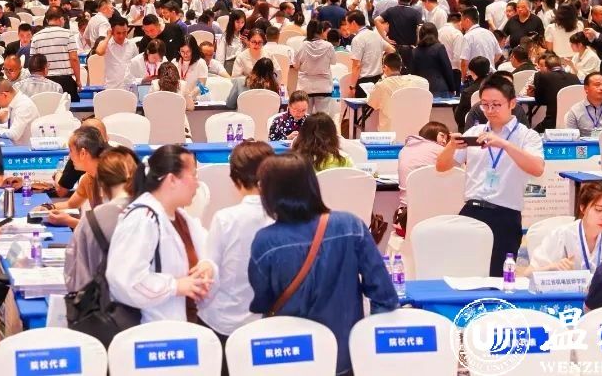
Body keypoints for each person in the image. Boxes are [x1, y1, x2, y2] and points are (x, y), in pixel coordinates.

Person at [249, 153, 396, 376]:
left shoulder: (265, 241)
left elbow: (262, 302)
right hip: (343, 355)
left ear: (272, 193)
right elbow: (385, 295)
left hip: (289, 355)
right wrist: (366, 344)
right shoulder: (351, 225)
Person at [437, 74, 545, 276]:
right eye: (485, 105)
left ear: (512, 103)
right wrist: (451, 147)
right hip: (472, 211)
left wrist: (505, 145)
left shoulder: (526, 136)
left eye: (496, 105)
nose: (490, 110)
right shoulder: (474, 132)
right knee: (464, 274)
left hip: (505, 215)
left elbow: (537, 168)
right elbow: (441, 167)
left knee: (498, 277)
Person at [107, 144, 215, 323]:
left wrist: (207, 265)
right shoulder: (142, 218)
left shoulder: (180, 217)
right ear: (172, 180)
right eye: (194, 175)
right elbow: (124, 280)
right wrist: (175, 286)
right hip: (154, 329)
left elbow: (210, 246)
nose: (197, 184)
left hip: (185, 326)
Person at [198, 141, 274, 343]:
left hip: (222, 321)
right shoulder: (281, 217)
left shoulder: (225, 218)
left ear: (235, 179)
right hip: (266, 321)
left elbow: (211, 272)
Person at [64, 146, 140, 293]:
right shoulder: (155, 213)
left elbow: (74, 278)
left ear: (101, 184)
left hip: (104, 303)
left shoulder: (92, 220)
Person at [531, 182, 602, 273]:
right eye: (598, 210)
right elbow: (528, 272)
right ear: (583, 208)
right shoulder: (562, 234)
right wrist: (552, 267)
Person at [38, 126, 109, 228]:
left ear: (83, 153)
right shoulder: (87, 178)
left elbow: (110, 227)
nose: (69, 155)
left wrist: (69, 221)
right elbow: (70, 204)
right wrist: (47, 207)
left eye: (71, 151)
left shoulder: (112, 179)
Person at [365, 52, 429, 133]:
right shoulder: (417, 81)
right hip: (414, 131)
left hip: (389, 132)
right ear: (400, 68)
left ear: (385, 67)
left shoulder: (382, 85)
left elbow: (372, 103)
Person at [395, 121, 449, 211]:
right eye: (442, 136)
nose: (444, 141)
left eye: (446, 139)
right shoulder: (440, 150)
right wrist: (452, 145)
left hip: (404, 211)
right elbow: (461, 172)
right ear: (431, 132)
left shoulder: (404, 149)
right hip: (431, 210)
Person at [32, 6, 81, 101]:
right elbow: (74, 59)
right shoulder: (68, 34)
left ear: (47, 20)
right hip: (65, 81)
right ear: (62, 19)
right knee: (68, 108)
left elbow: (33, 62)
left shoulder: (36, 36)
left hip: (44, 82)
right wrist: (78, 80)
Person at [528, 53, 581, 131]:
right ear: (560, 65)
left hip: (552, 123)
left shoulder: (541, 76)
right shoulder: (574, 77)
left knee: (532, 134)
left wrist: (534, 94)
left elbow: (540, 101)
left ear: (546, 67)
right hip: (576, 123)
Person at [292, 20, 335, 116]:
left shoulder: (302, 46)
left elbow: (296, 65)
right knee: (323, 118)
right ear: (321, 30)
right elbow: (333, 62)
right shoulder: (328, 46)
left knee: (304, 116)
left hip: (305, 87)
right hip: (324, 86)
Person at [0, 75, 40, 146]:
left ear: (4, 95)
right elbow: (11, 126)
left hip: (25, 150)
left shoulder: (23, 105)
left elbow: (14, 134)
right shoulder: (16, 101)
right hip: (19, 146)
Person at [345, 11, 387, 97]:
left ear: (353, 23)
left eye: (347, 24)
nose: (347, 27)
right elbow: (391, 49)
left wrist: (352, 87)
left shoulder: (357, 39)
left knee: (362, 105)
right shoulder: (376, 35)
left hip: (363, 83)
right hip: (378, 80)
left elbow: (357, 65)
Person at [411, 22, 458, 96]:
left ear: (420, 35)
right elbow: (447, 69)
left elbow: (413, 73)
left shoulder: (414, 51)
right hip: (439, 88)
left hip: (422, 89)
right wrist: (452, 88)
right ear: (436, 34)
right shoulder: (439, 48)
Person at [460, 8, 503, 78]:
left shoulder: (468, 37)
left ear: (467, 20)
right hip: (490, 74)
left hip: (474, 76)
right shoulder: (489, 33)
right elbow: (499, 53)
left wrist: (463, 79)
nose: (461, 23)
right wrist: (489, 64)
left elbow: (464, 62)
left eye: (462, 20)